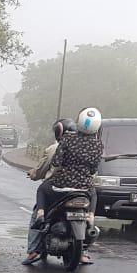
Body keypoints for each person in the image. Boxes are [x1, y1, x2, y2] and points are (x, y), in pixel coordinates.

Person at [31, 107, 104, 265]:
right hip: (84, 188)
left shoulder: (68, 139)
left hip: (61, 184)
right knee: (93, 193)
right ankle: (91, 217)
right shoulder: (98, 145)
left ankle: (41, 215)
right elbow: (93, 169)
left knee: (42, 189)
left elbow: (56, 162)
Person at [22, 119, 72, 265]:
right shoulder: (85, 146)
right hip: (81, 190)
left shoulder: (54, 148)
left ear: (58, 133)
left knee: (38, 214)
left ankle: (33, 250)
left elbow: (41, 171)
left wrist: (34, 174)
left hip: (55, 190)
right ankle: (84, 252)